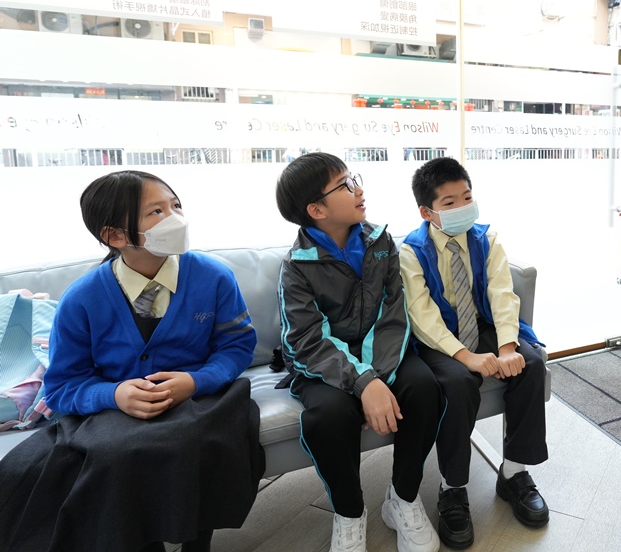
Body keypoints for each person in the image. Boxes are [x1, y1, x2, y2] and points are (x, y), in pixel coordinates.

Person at [0, 170, 263, 552]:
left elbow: (236, 346)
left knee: (197, 443)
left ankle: (196, 541)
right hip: (116, 409)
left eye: (176, 206)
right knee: (111, 456)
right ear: (115, 236)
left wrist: (197, 380)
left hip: (201, 397)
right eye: (156, 212)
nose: (175, 218)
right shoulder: (82, 298)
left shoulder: (214, 277)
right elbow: (62, 387)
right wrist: (115, 394)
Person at [275, 153, 443, 552]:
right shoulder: (296, 266)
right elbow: (305, 341)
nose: (359, 190)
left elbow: (394, 314)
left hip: (385, 354)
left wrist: (376, 378)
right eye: (346, 185)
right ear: (316, 210)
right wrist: (364, 382)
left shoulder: (381, 242)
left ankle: (402, 499)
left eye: (355, 179)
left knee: (424, 388)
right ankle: (350, 514)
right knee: (329, 416)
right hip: (323, 366)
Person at [399, 157, 548, 549]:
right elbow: (422, 316)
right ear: (427, 212)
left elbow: (502, 294)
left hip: (481, 326)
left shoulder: (487, 238)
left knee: (531, 364)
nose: (463, 207)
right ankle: (452, 488)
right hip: (440, 340)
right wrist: (467, 357)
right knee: (457, 382)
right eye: (450, 202)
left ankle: (514, 473)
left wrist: (507, 347)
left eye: (467, 197)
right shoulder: (411, 251)